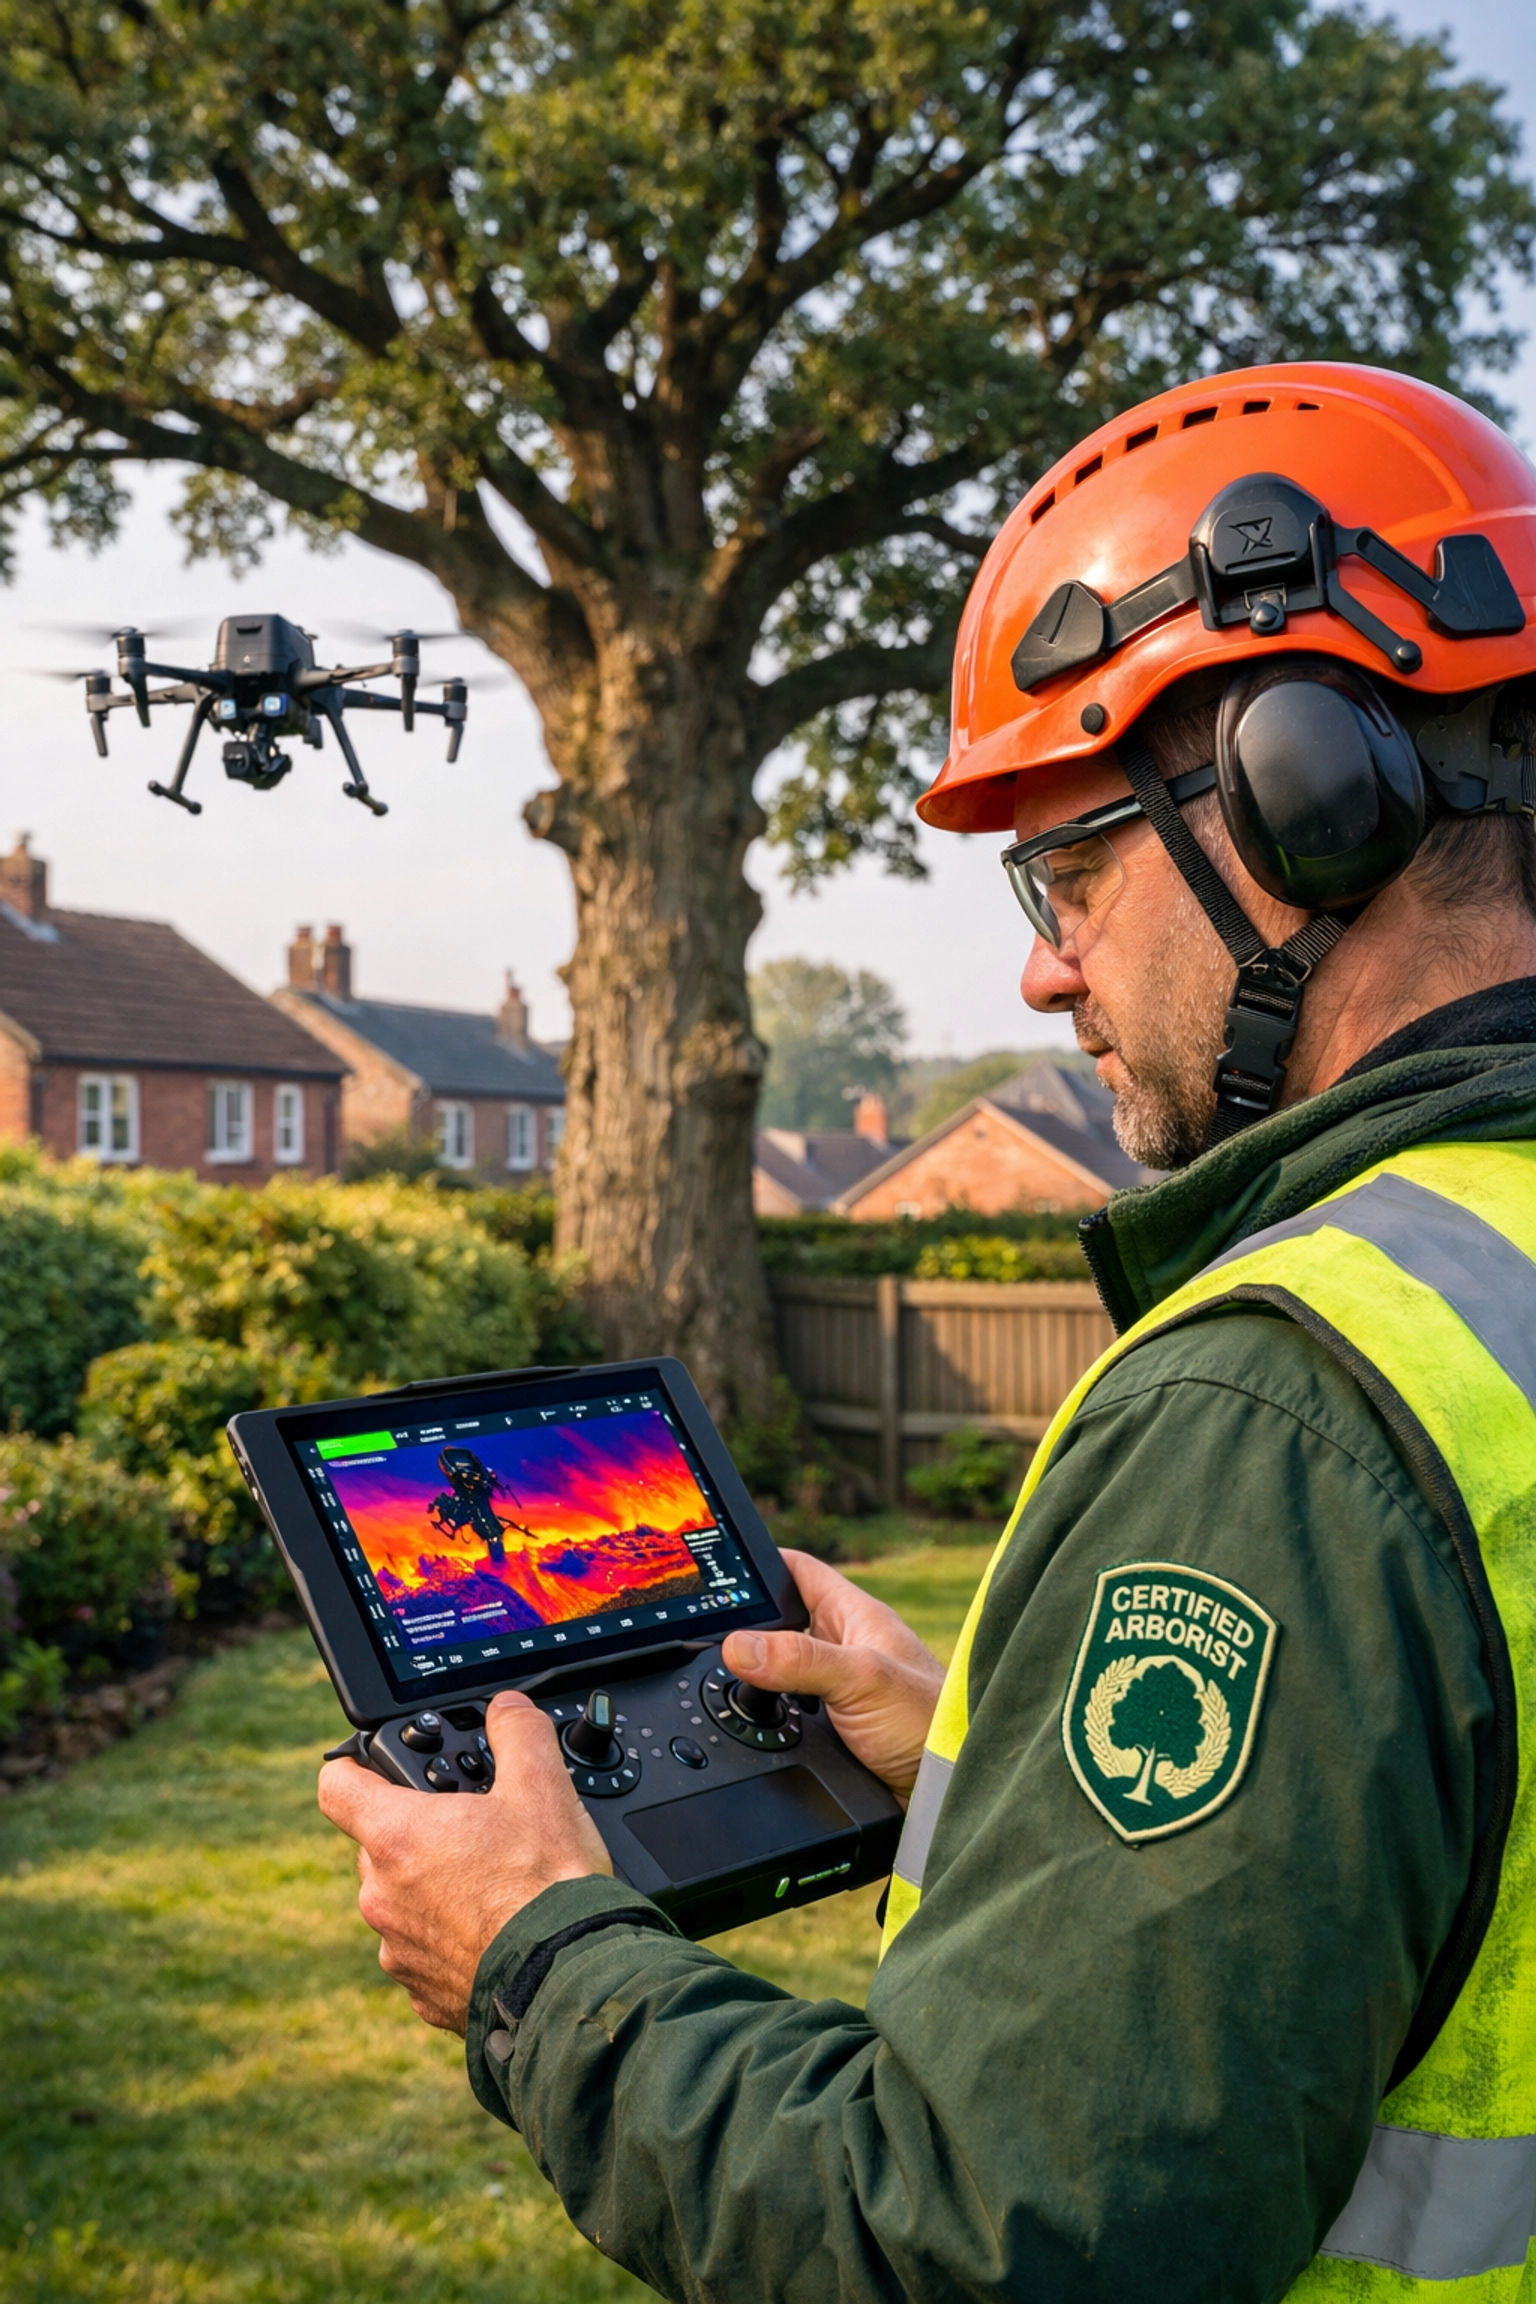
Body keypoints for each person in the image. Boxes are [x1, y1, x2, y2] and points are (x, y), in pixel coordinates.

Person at [319, 364, 1536, 2302]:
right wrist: (992, 1784)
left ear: (1316, 796)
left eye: (1066, 868)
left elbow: (991, 2246)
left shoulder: (1293, 1395)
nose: (1041, 965)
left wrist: (535, 1953)